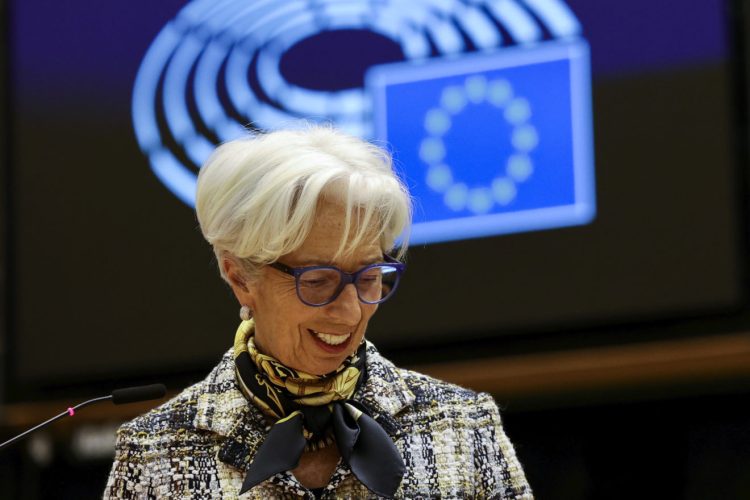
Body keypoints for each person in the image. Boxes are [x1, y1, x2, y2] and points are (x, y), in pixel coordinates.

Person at [104, 126, 532, 499]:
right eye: (317, 281)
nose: (349, 313)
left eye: (368, 277)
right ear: (239, 277)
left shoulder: (461, 428)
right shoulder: (156, 452)